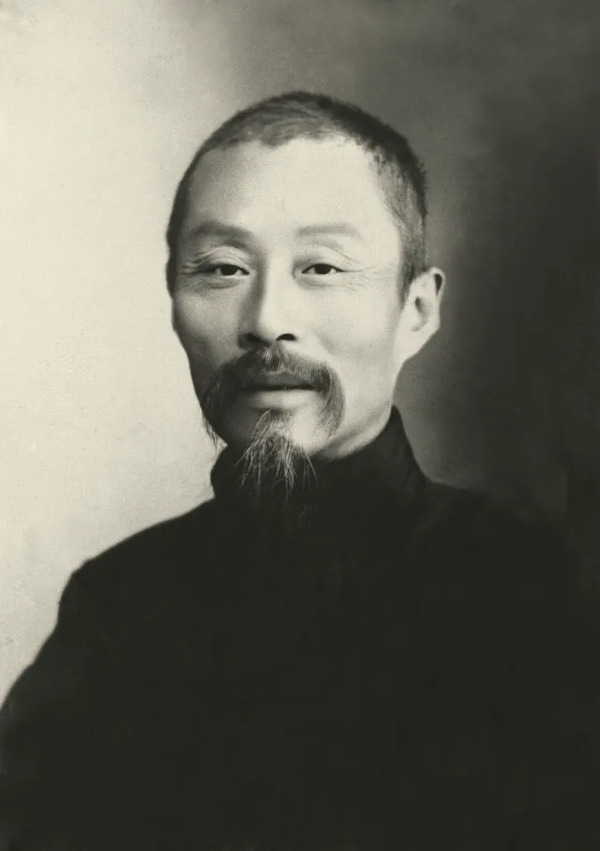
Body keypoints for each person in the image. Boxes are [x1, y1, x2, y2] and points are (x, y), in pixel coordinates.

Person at [1, 91, 598, 851]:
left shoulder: (535, 588)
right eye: (223, 268)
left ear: (416, 311)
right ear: (174, 304)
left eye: (321, 266)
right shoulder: (115, 605)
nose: (265, 320)